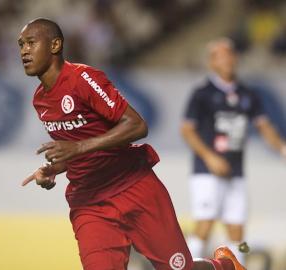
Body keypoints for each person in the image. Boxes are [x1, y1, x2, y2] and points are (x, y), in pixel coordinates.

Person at [19, 18, 246, 270]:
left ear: (55, 45)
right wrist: (55, 167)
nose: (24, 51)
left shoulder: (83, 78)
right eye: (20, 45)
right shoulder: (40, 100)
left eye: (30, 43)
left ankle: (225, 266)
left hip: (134, 187)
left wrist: (77, 149)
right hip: (90, 203)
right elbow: (77, 147)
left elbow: (137, 126)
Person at [181, 38, 286, 264]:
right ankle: (189, 265)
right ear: (212, 62)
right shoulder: (202, 93)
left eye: (230, 54)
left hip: (236, 172)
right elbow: (187, 130)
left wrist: (282, 148)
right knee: (205, 224)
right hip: (207, 172)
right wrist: (210, 157)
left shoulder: (248, 93)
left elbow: (264, 126)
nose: (227, 59)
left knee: (238, 232)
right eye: (221, 55)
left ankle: (239, 264)